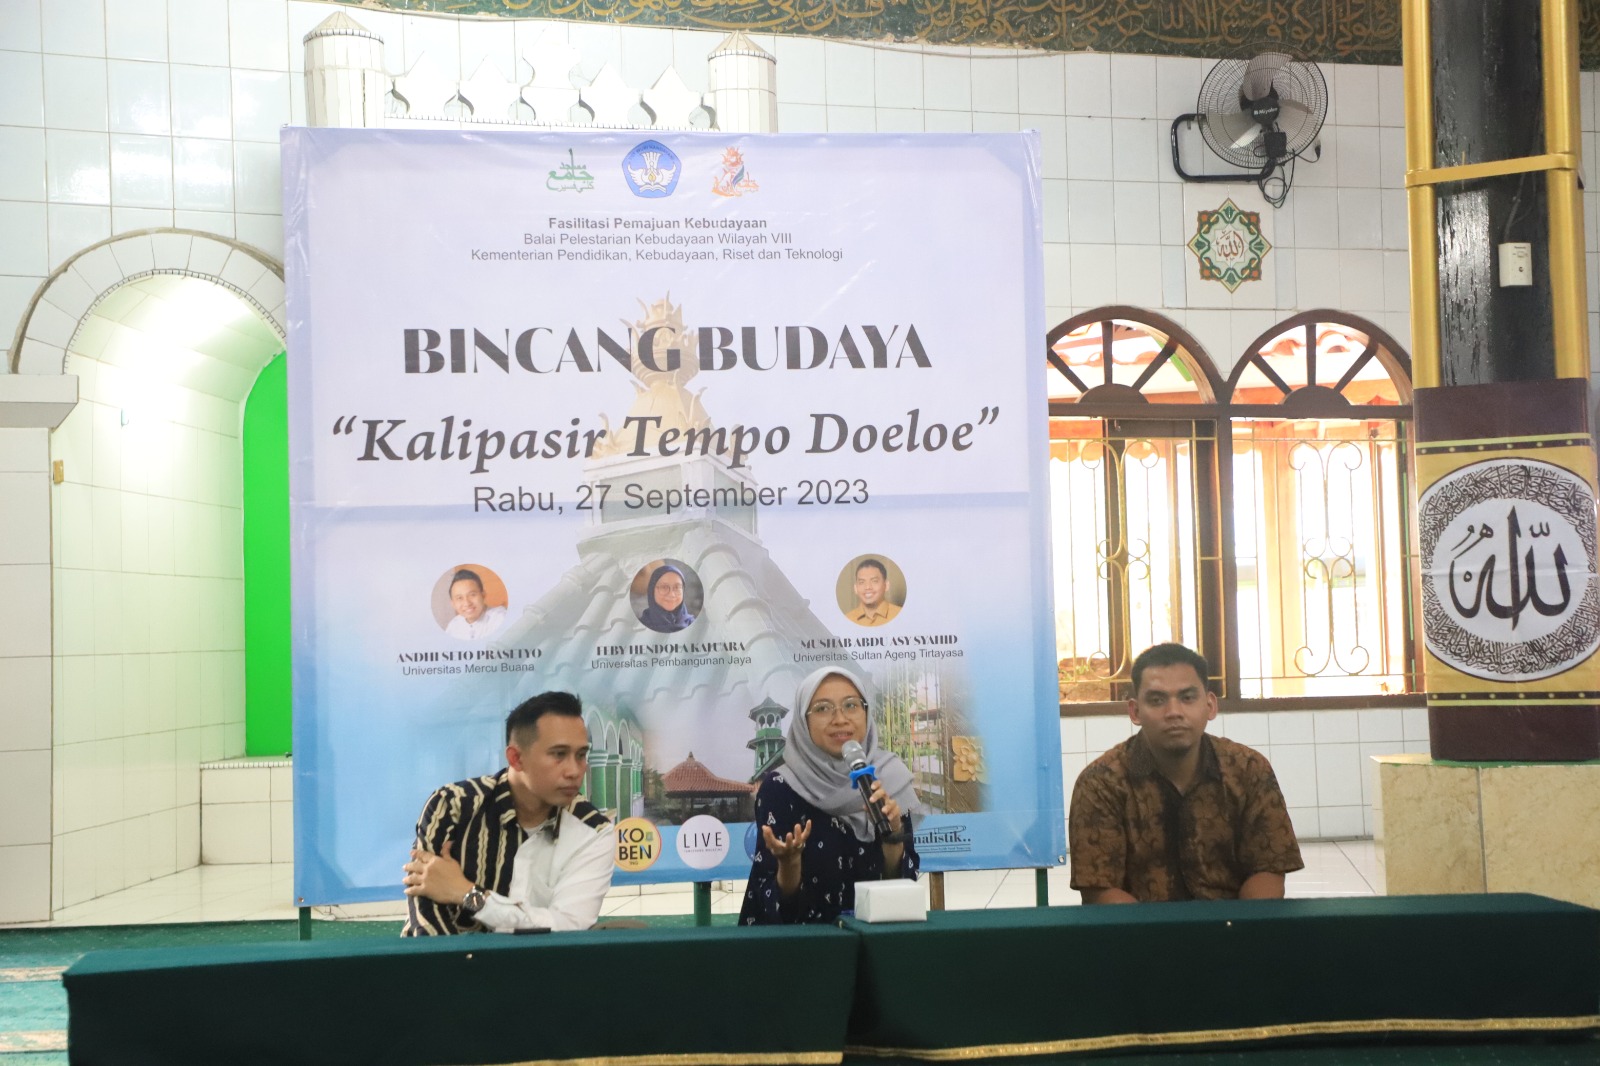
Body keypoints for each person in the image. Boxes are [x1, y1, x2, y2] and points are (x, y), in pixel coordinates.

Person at [1069, 643, 1303, 903]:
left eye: (1187, 698)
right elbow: (1099, 889)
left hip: (1233, 924)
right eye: (1157, 700)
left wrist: (1237, 926)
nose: (1174, 712)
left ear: (1210, 705)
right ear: (1135, 711)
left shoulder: (1248, 770)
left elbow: (1269, 870)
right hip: (1138, 925)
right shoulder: (1101, 784)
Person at [401, 691, 614, 934]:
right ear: (516, 758)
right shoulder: (454, 805)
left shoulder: (594, 830)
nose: (574, 771)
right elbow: (428, 922)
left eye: (581, 755)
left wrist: (467, 894)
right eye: (559, 754)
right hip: (451, 958)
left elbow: (567, 927)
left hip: (544, 959)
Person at [740, 666, 919, 924]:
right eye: (823, 708)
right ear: (803, 721)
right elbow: (772, 905)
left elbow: (902, 887)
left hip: (874, 937)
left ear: (866, 712)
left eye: (851, 705)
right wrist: (789, 865)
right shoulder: (780, 787)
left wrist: (892, 839)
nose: (840, 719)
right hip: (806, 941)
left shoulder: (889, 778)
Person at [444, 568, 507, 640]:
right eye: (460, 598)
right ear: (453, 604)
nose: (467, 603)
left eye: (472, 595)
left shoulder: (500, 618)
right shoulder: (453, 626)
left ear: (483, 595)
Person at [638, 563, 695, 633]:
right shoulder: (638, 628)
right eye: (664, 587)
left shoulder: (695, 625)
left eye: (677, 587)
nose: (671, 594)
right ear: (652, 591)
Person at [846, 558, 901, 627]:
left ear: (886, 585)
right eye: (862, 582)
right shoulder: (847, 619)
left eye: (874, 581)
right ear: (855, 588)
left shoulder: (900, 615)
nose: (868, 587)